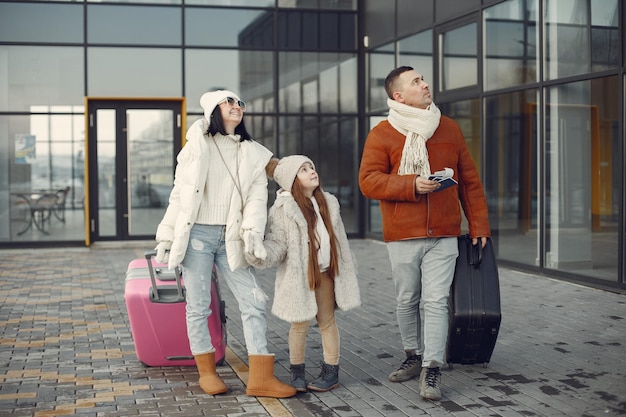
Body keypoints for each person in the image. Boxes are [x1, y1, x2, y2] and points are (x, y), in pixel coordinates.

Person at [358, 66, 491, 401]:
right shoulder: (382, 133)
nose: (425, 84)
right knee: (407, 299)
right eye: (416, 82)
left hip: (444, 232)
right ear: (398, 96)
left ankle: (432, 367)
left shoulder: (448, 127)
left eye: (423, 79)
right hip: (403, 234)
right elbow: (368, 181)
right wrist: (411, 184)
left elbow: (470, 182)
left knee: (435, 301)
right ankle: (413, 356)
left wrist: (479, 225)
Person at [154, 90, 296, 399]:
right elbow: (180, 195)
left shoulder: (254, 153)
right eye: (229, 102)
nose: (237, 107)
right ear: (212, 109)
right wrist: (166, 235)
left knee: (255, 300)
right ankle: (206, 371)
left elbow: (258, 199)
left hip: (232, 236)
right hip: (198, 237)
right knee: (199, 305)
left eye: (240, 103)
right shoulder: (195, 147)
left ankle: (261, 377)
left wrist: (254, 235)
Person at [245, 155, 361, 393]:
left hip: (327, 273)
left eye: (312, 167)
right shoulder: (283, 209)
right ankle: (297, 371)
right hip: (300, 277)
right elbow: (278, 244)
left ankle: (331, 370)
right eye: (304, 170)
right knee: (299, 326)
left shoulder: (328, 203)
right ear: (291, 180)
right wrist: (259, 251)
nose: (311, 172)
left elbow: (340, 242)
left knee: (327, 322)